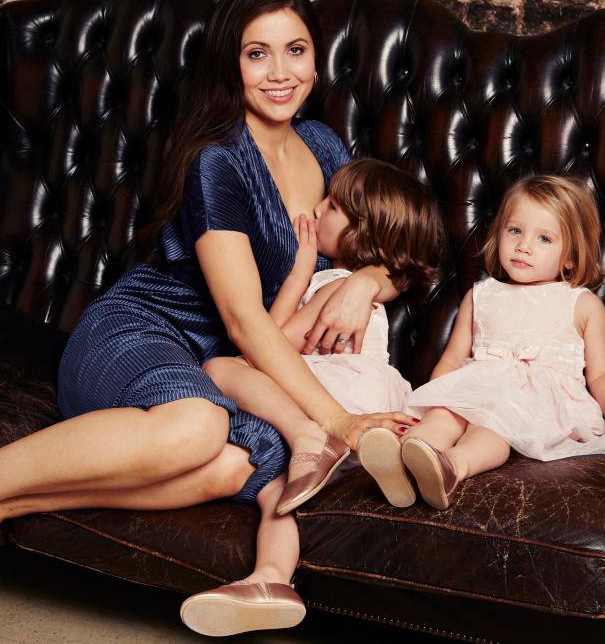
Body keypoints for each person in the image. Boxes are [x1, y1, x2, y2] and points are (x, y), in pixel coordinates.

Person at [0, 0, 413, 613]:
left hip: (222, 370)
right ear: (230, 64)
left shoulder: (324, 148)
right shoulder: (218, 159)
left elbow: (398, 246)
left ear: (316, 60)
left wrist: (368, 280)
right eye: (256, 53)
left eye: (295, 50)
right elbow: (243, 321)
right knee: (198, 427)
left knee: (238, 464)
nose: (279, 73)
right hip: (141, 332)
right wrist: (340, 422)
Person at [179, 158, 444, 635]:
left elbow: (268, 347)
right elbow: (274, 337)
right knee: (280, 491)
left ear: (365, 232)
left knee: (220, 368)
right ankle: (270, 580)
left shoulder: (337, 286)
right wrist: (301, 273)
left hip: (332, 393)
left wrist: (302, 278)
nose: (318, 209)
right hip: (367, 395)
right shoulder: (351, 284)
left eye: (334, 206)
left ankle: (308, 450)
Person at [358, 174, 605, 511]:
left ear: (570, 257)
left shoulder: (582, 304)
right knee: (442, 416)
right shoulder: (481, 295)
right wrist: (438, 399)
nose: (524, 246)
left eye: (544, 238)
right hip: (478, 390)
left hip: (536, 406)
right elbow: (453, 360)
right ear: (499, 233)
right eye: (515, 231)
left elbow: (602, 373)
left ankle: (452, 466)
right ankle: (406, 460)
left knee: (491, 430)